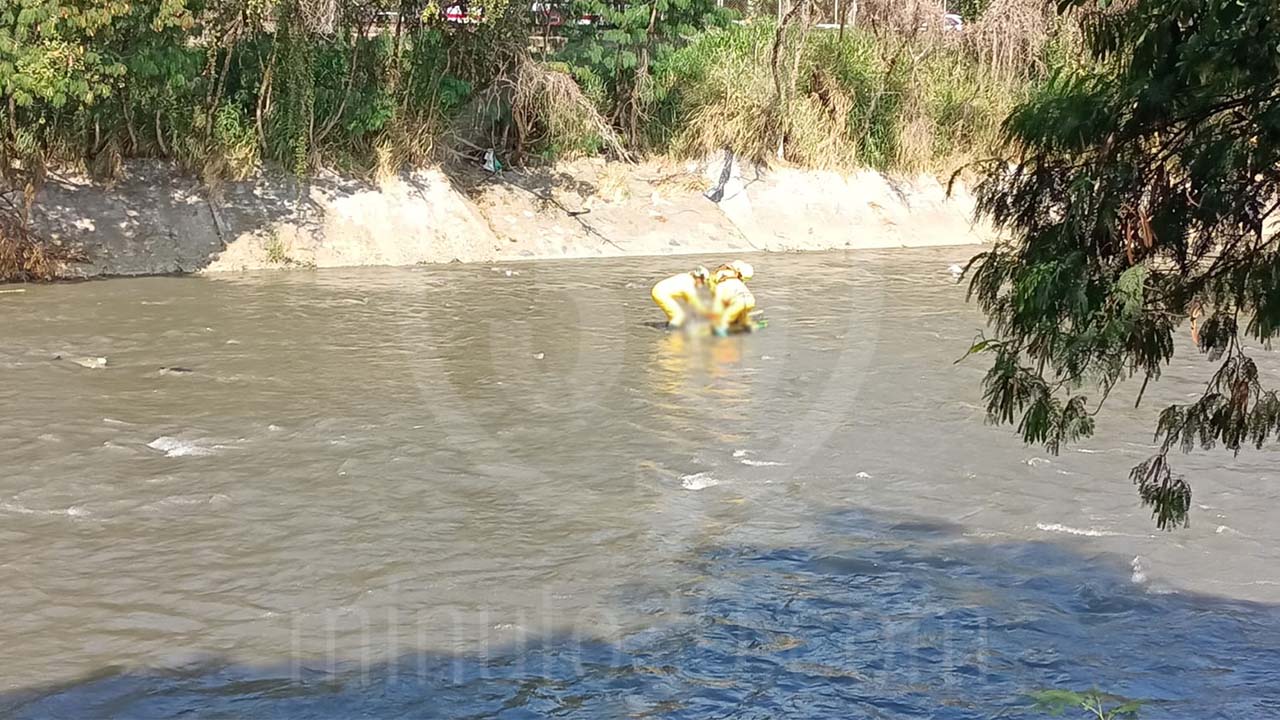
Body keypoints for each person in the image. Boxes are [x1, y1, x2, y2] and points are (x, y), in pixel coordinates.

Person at [709, 260, 755, 336]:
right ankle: (744, 321)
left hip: (737, 301)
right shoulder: (735, 278)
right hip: (750, 300)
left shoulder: (723, 279)